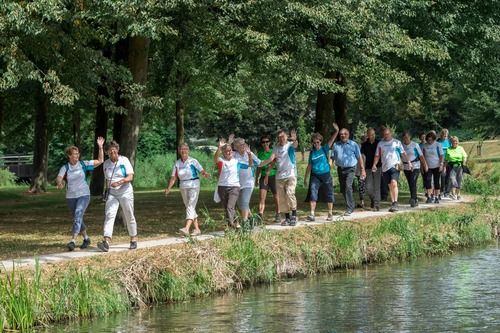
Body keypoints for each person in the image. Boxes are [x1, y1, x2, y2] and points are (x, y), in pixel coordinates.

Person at [56, 137, 105, 251]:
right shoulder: (66, 167)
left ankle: (73, 241)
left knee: (78, 215)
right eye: (74, 154)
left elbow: (100, 160)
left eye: (78, 154)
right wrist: (59, 182)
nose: (77, 156)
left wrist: (100, 147)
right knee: (77, 218)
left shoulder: (83, 164)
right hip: (71, 196)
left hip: (84, 194)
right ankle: (86, 238)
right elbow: (59, 177)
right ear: (69, 156)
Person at [97, 140, 138, 252]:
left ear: (117, 150)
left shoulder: (124, 160)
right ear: (107, 152)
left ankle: (133, 239)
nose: (112, 151)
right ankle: (106, 241)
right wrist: (107, 191)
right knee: (109, 215)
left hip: (125, 192)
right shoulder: (106, 164)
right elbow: (107, 179)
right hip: (112, 194)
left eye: (114, 149)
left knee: (129, 214)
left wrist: (119, 182)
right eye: (110, 150)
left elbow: (130, 177)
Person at [164, 143, 211, 237]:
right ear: (179, 151)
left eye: (185, 149)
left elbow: (201, 170)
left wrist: (205, 174)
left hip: (194, 184)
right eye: (182, 149)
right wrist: (168, 188)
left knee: (190, 206)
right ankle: (197, 229)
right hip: (183, 185)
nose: (184, 151)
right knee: (190, 207)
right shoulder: (177, 163)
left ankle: (186, 228)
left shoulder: (193, 161)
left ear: (188, 150)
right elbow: (173, 177)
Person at [259, 129, 299, 226]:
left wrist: (294, 139)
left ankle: (294, 215)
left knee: (290, 193)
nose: (281, 139)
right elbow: (272, 161)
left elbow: (296, 145)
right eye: (279, 137)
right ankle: (287, 218)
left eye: (283, 137)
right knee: (281, 198)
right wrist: (266, 171)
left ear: (286, 137)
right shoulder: (276, 148)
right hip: (279, 176)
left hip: (291, 174)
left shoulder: (290, 145)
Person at [214, 136, 252, 231]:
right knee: (228, 208)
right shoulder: (222, 161)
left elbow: (250, 165)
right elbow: (215, 158)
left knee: (230, 206)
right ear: (223, 153)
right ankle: (237, 226)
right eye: (227, 151)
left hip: (234, 187)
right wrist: (219, 147)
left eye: (230, 150)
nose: (229, 152)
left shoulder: (237, 162)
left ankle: (229, 226)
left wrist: (249, 154)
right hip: (222, 187)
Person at [303, 123, 339, 221]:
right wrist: (305, 178)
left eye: (317, 142)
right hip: (315, 175)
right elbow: (309, 166)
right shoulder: (312, 153)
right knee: (313, 193)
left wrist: (336, 131)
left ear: (320, 142)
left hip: (325, 174)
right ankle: (312, 214)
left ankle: (330, 213)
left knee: (328, 192)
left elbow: (331, 141)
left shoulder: (324, 148)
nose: (315, 144)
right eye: (314, 143)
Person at [372, 127, 412, 212]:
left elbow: (403, 153)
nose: (386, 136)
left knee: (394, 183)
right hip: (385, 167)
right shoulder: (380, 144)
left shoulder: (397, 142)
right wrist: (374, 165)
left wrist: (408, 162)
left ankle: (395, 203)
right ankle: (393, 202)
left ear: (391, 133)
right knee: (390, 186)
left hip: (395, 165)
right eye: (384, 135)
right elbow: (377, 156)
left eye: (387, 134)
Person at [331, 128, 366, 216]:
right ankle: (352, 203)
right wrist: (328, 167)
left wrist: (362, 169)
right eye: (341, 134)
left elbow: (359, 157)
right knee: (343, 189)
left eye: (345, 134)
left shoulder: (353, 145)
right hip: (340, 169)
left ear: (348, 135)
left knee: (348, 186)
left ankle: (349, 207)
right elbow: (332, 157)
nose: (343, 135)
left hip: (350, 169)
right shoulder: (336, 145)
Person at [232, 137, 260, 228]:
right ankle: (252, 218)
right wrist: (228, 141)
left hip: (248, 182)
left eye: (244, 144)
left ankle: (245, 223)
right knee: (240, 204)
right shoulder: (234, 154)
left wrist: (270, 160)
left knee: (245, 202)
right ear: (235, 147)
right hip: (238, 183)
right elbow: (225, 153)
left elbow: (259, 163)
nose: (243, 146)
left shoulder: (249, 154)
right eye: (240, 145)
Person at [255, 135, 280, 223]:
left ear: (269, 142)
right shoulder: (260, 153)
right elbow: (258, 166)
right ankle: (260, 214)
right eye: (263, 142)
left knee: (276, 196)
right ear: (261, 144)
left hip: (272, 175)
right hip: (263, 175)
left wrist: (267, 175)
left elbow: (272, 164)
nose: (265, 143)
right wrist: (256, 178)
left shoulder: (272, 152)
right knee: (262, 196)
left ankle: (278, 213)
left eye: (267, 142)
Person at [402, 131, 428, 207]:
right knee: (410, 182)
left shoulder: (415, 145)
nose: (406, 139)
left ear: (410, 137)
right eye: (404, 138)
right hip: (406, 166)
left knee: (413, 181)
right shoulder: (402, 146)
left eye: (407, 137)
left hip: (415, 165)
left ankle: (413, 199)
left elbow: (421, 155)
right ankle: (414, 198)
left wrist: (425, 164)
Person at [361, 128, 382, 211]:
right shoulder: (364, 144)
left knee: (377, 186)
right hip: (368, 167)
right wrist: (362, 168)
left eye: (373, 134)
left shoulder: (379, 143)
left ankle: (377, 205)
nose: (372, 136)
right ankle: (373, 198)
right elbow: (362, 156)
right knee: (368, 186)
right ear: (367, 135)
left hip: (378, 166)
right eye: (370, 135)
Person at [422, 131, 444, 204]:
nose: (429, 141)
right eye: (428, 140)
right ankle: (429, 196)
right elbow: (423, 156)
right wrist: (424, 165)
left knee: (436, 181)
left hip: (437, 165)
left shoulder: (438, 145)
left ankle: (436, 197)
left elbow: (441, 155)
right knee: (428, 181)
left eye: (430, 140)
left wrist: (441, 164)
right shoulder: (424, 146)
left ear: (434, 139)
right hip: (428, 166)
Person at [445, 136, 467, 200]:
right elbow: (446, 159)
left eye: (456, 141)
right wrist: (444, 167)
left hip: (460, 166)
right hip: (451, 166)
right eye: (454, 141)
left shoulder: (461, 148)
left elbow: (464, 156)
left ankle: (458, 194)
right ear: (451, 142)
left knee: (459, 179)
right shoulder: (449, 149)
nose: (455, 142)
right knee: (452, 179)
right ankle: (453, 194)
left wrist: (464, 162)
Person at [437, 129, 451, 197]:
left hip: (448, 160)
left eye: (446, 136)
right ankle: (442, 190)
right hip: (441, 161)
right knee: (443, 175)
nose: (445, 137)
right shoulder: (438, 141)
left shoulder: (449, 141)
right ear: (441, 135)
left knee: (448, 176)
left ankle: (447, 191)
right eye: (443, 136)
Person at [355, 134, 367, 209]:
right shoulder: (358, 147)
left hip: (368, 169)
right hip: (360, 170)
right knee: (361, 186)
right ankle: (361, 201)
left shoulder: (369, 146)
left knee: (367, 186)